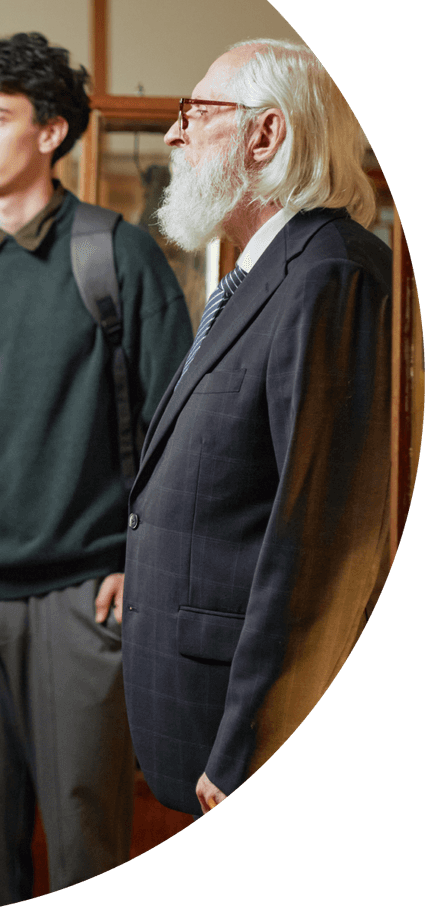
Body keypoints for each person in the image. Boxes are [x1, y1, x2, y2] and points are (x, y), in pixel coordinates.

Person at [0, 32, 194, 911]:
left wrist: (142, 559)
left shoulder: (115, 256)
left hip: (81, 594)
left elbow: (178, 428)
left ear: (51, 132)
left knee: (88, 835)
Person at [121, 40, 393, 817]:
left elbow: (327, 542)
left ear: (265, 136)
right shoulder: (257, 273)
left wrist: (257, 740)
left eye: (195, 113)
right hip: (204, 699)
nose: (173, 135)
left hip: (253, 734)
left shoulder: (331, 275)